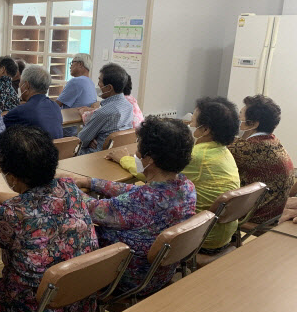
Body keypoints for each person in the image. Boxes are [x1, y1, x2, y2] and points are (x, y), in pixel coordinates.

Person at [0, 126, 98, 312]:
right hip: (80, 308)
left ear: (11, 177)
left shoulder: (12, 215)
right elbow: (35, 201)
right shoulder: (70, 188)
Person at [76, 117, 196, 296]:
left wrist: (65, 187)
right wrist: (90, 182)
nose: (137, 152)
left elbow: (90, 208)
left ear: (149, 158)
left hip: (128, 277)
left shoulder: (141, 200)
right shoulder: (185, 187)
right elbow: (132, 191)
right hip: (160, 272)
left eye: (139, 145)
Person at [109, 97, 241, 254]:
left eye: (192, 121)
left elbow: (153, 171)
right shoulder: (223, 152)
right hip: (218, 232)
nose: (189, 124)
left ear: (205, 130)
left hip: (201, 238)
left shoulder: (198, 156)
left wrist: (123, 158)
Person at [228, 95, 294, 224]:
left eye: (240, 116)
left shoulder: (243, 148)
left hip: (254, 218)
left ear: (253, 124)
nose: (237, 121)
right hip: (273, 213)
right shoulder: (274, 141)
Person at [77, 63, 133, 154]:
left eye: (100, 81)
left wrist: (90, 139)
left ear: (109, 87)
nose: (98, 85)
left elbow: (81, 140)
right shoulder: (128, 106)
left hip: (94, 157)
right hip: (116, 153)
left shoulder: (104, 113)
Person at [3, 64, 63, 139]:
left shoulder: (22, 111)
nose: (19, 86)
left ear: (26, 85)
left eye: (20, 82)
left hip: (36, 150)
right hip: (58, 149)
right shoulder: (55, 107)